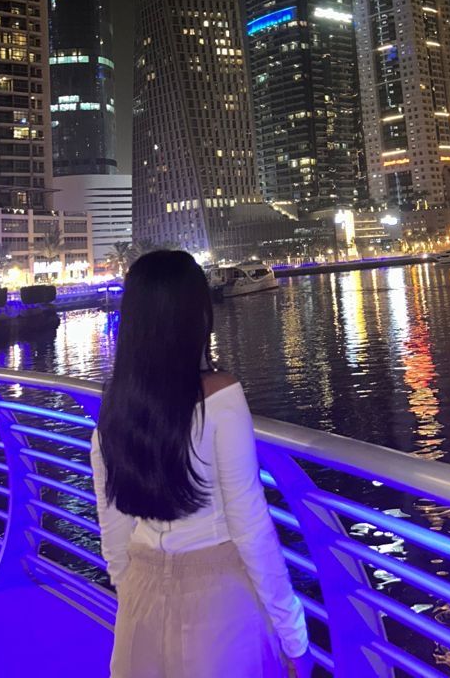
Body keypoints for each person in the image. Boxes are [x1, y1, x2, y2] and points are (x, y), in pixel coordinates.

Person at [91, 249, 312, 677]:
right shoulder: (220, 396)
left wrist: (130, 595)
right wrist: (293, 633)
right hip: (219, 599)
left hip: (141, 594)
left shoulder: (113, 407)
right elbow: (250, 526)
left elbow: (113, 527)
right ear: (196, 316)